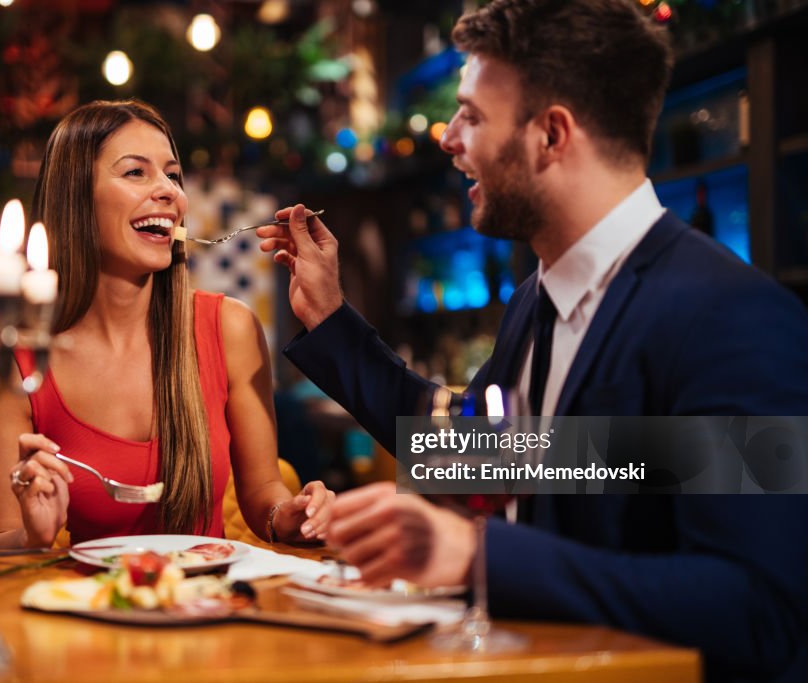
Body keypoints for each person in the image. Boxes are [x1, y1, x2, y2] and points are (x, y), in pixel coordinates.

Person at [257, 2, 808, 682]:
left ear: (551, 134)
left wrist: (477, 555)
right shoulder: (535, 303)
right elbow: (468, 452)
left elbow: (759, 608)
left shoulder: (731, 315)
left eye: (472, 115)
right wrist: (331, 319)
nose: (447, 137)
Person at [0, 100, 334, 549]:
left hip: (210, 605)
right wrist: (34, 536)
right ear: (75, 196)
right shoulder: (15, 358)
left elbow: (265, 494)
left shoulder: (230, 328)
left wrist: (291, 515)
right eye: (135, 172)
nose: (170, 192)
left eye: (173, 175)